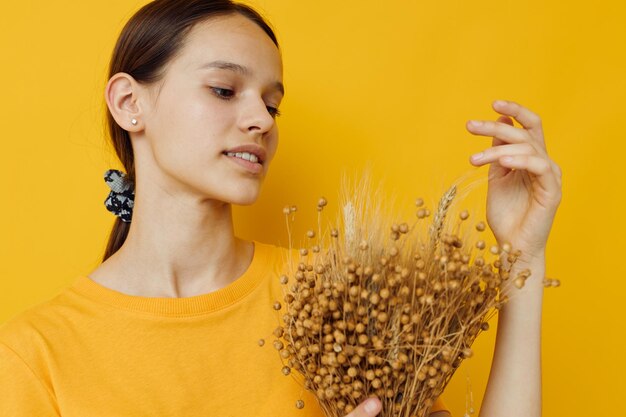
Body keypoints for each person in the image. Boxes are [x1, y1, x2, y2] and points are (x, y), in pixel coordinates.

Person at [0, 1, 562, 416]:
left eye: (272, 103)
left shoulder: (333, 298)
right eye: (225, 90)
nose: (262, 120)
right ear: (130, 103)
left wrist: (522, 254)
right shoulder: (35, 354)